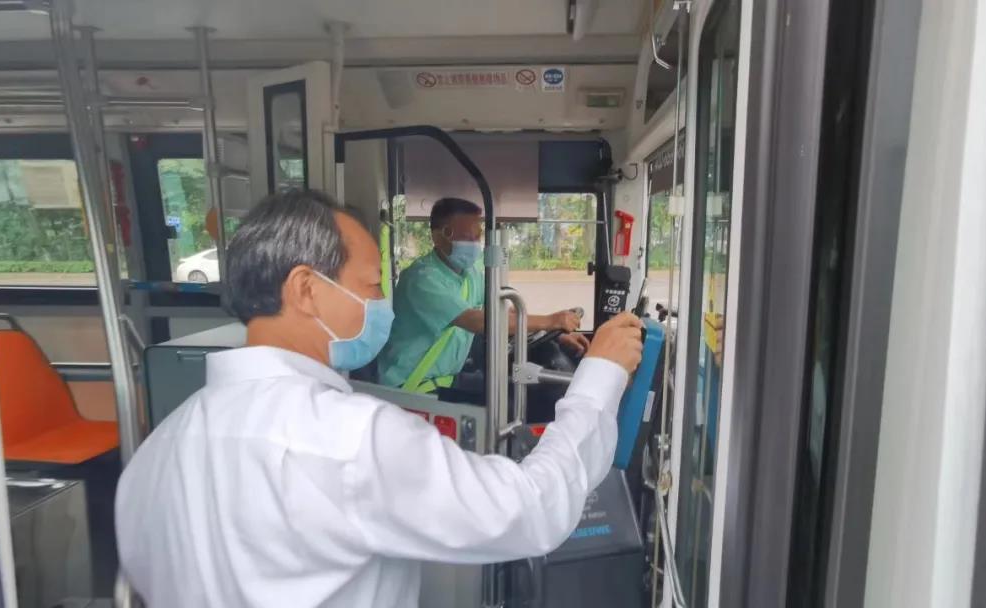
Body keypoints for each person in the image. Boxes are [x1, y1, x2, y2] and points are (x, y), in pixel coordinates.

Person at [114, 190, 644, 608]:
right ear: (306, 289)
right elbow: (529, 510)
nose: (382, 304)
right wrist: (599, 377)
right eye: (370, 287)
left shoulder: (158, 450)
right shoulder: (349, 438)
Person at [376, 197, 590, 392]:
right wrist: (551, 321)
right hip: (415, 387)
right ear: (438, 236)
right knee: (510, 401)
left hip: (446, 378)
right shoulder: (422, 280)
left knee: (512, 391)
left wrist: (555, 334)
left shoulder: (469, 275)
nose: (472, 243)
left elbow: (503, 314)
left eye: (476, 236)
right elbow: (478, 322)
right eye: (464, 236)